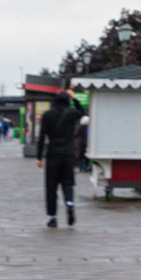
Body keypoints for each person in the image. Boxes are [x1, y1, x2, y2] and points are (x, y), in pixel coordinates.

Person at [39, 89, 86, 228]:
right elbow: (82, 112)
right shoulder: (71, 113)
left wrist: (39, 157)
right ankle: (69, 204)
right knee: (68, 183)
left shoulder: (47, 115)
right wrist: (75, 98)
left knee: (51, 186)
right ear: (67, 101)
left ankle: (53, 217)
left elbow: (42, 137)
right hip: (68, 154)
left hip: (52, 154)